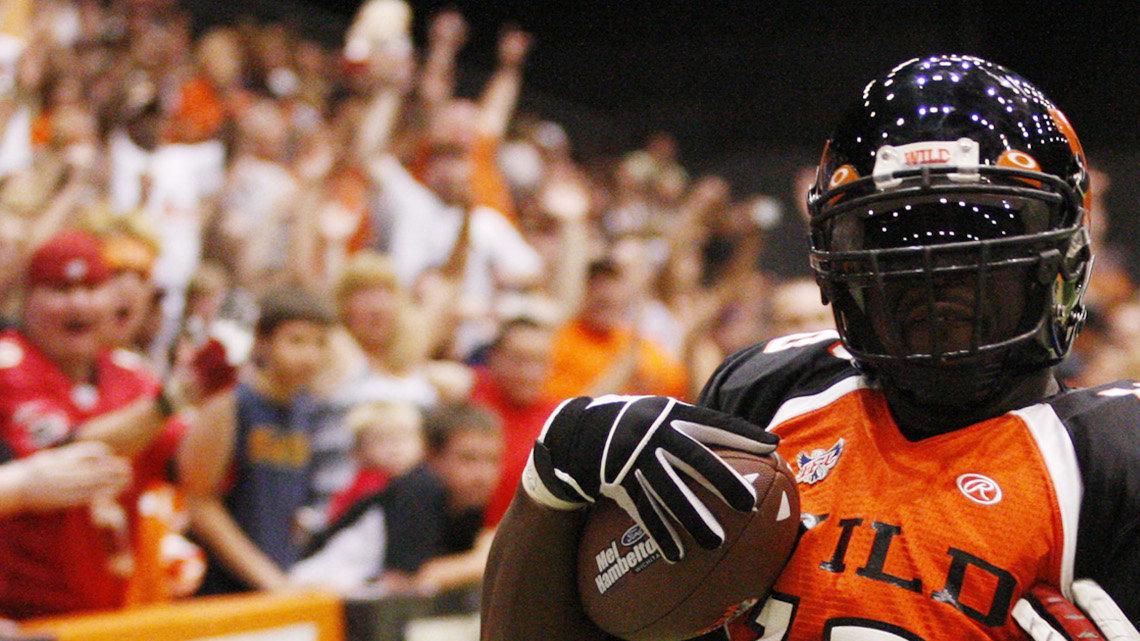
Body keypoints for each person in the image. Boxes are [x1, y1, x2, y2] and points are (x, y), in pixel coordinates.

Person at [481, 56, 1139, 641]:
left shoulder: (1110, 463)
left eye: (980, 242)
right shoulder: (774, 389)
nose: (938, 281)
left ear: (1063, 259)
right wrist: (550, 488)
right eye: (896, 240)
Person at [0, 230, 225, 619]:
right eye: (60, 289)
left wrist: (218, 398)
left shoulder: (132, 374)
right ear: (28, 298)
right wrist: (171, 401)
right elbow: (69, 455)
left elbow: (194, 474)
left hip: (113, 609)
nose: (78, 303)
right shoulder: (9, 364)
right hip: (21, 616)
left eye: (91, 287)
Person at [187, 286, 334, 595]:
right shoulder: (232, 403)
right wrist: (268, 579)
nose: (310, 355)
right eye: (296, 341)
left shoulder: (306, 409)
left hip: (277, 579)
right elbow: (200, 503)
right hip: (222, 586)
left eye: (320, 343)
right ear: (262, 343)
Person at [291, 401, 502, 596]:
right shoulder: (418, 489)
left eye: (492, 460)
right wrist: (484, 559)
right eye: (468, 459)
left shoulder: (469, 504)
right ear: (432, 457)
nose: (483, 474)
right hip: (308, 592)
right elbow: (414, 581)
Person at [325, 400, 425, 522]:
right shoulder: (362, 491)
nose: (394, 448)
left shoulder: (429, 482)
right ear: (358, 451)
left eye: (403, 438)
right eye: (381, 440)